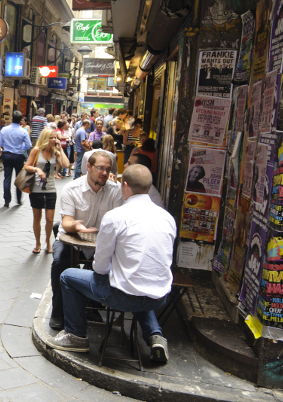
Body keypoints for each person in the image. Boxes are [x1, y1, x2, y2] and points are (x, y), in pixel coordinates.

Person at [53, 164, 174, 364]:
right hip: (159, 297)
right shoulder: (167, 218)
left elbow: (100, 266)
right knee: (138, 282)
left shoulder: (115, 217)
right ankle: (155, 335)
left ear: (124, 186)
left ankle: (76, 335)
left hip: (124, 296)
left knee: (67, 276)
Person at [49, 151, 123, 331]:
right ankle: (58, 311)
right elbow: (65, 222)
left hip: (100, 243)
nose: (104, 173)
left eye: (108, 169)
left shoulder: (115, 191)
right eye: (100, 168)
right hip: (72, 239)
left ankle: (93, 306)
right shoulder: (72, 188)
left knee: (106, 265)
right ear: (88, 167)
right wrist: (76, 226)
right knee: (60, 262)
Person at [24, 128, 69, 254]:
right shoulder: (36, 150)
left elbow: (66, 165)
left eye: (55, 137)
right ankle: (38, 242)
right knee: (37, 217)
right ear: (45, 138)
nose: (54, 140)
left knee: (50, 219)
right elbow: (27, 166)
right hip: (36, 189)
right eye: (51, 138)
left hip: (50, 189)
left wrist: (61, 149)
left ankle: (48, 241)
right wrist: (36, 169)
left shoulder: (56, 152)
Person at [0, 111, 32, 208]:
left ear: (12, 118)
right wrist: (22, 148)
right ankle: (18, 198)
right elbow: (29, 145)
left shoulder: (4, 130)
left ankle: (7, 200)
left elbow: (0, 143)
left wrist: (7, 146)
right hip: (18, 156)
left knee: (7, 178)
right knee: (19, 177)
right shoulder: (23, 131)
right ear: (21, 120)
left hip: (7, 155)